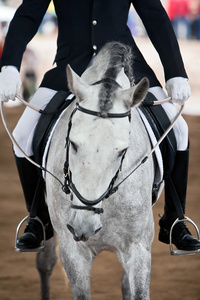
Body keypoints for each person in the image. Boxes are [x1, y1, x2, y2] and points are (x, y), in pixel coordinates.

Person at [0, 0, 199, 252]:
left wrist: (175, 72)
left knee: (179, 130)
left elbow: (155, 16)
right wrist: (9, 65)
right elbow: (28, 14)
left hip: (127, 67)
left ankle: (174, 221)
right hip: (71, 69)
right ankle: (39, 218)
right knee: (23, 135)